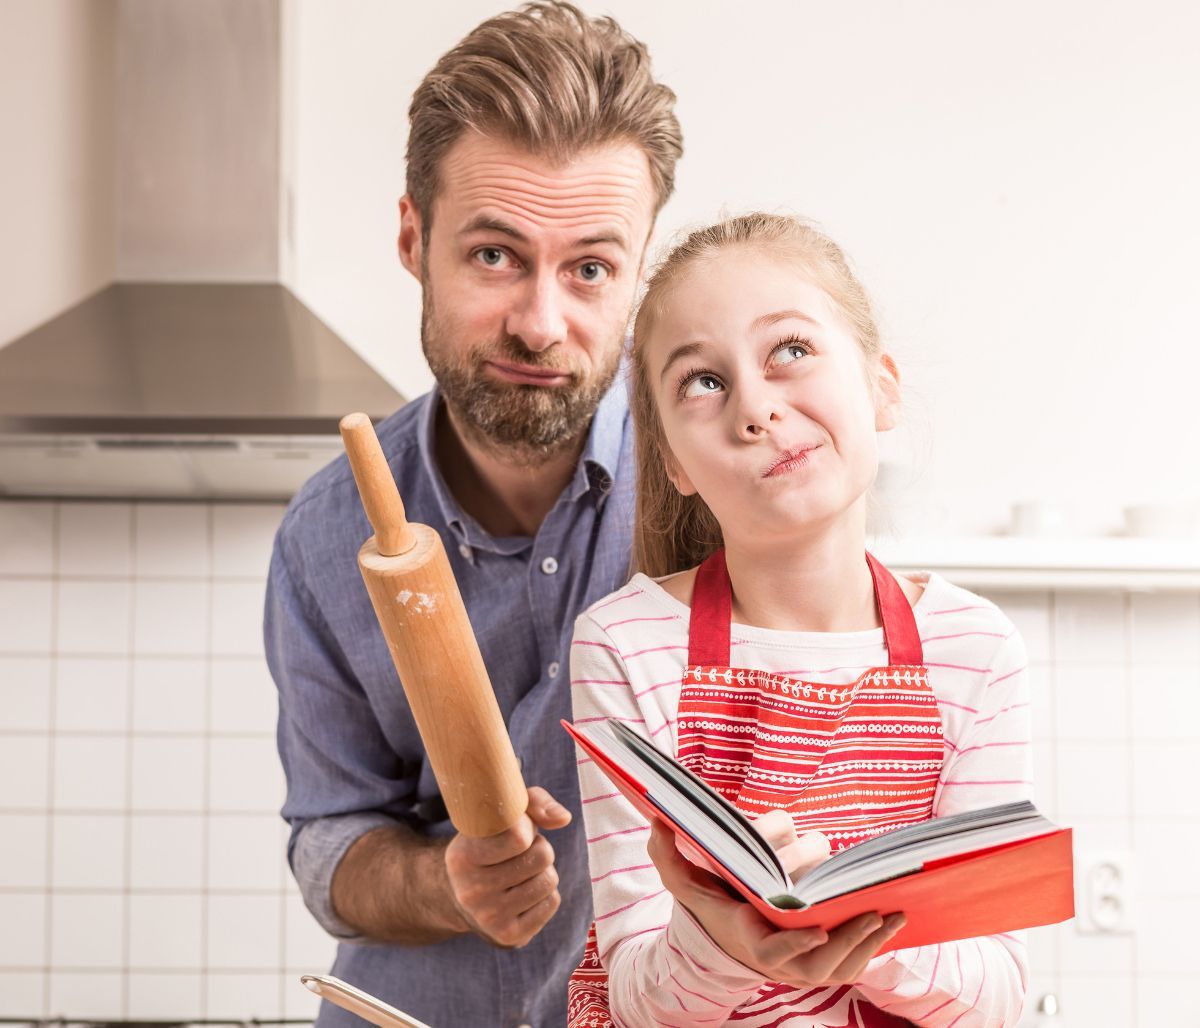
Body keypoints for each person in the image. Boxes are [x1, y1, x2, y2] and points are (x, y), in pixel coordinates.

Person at [263, 4, 682, 1025]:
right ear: (414, 236)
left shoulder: (708, 487)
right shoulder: (326, 538)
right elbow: (331, 842)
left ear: (638, 273)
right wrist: (448, 878)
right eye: (495, 255)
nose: (541, 323)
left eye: (590, 267)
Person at [568, 213, 1033, 1026]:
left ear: (881, 387)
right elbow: (637, 996)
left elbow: (995, 994)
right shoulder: (622, 643)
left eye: (789, 351)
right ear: (673, 460)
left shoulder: (977, 650)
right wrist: (726, 944)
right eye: (702, 382)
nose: (756, 409)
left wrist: (854, 922)